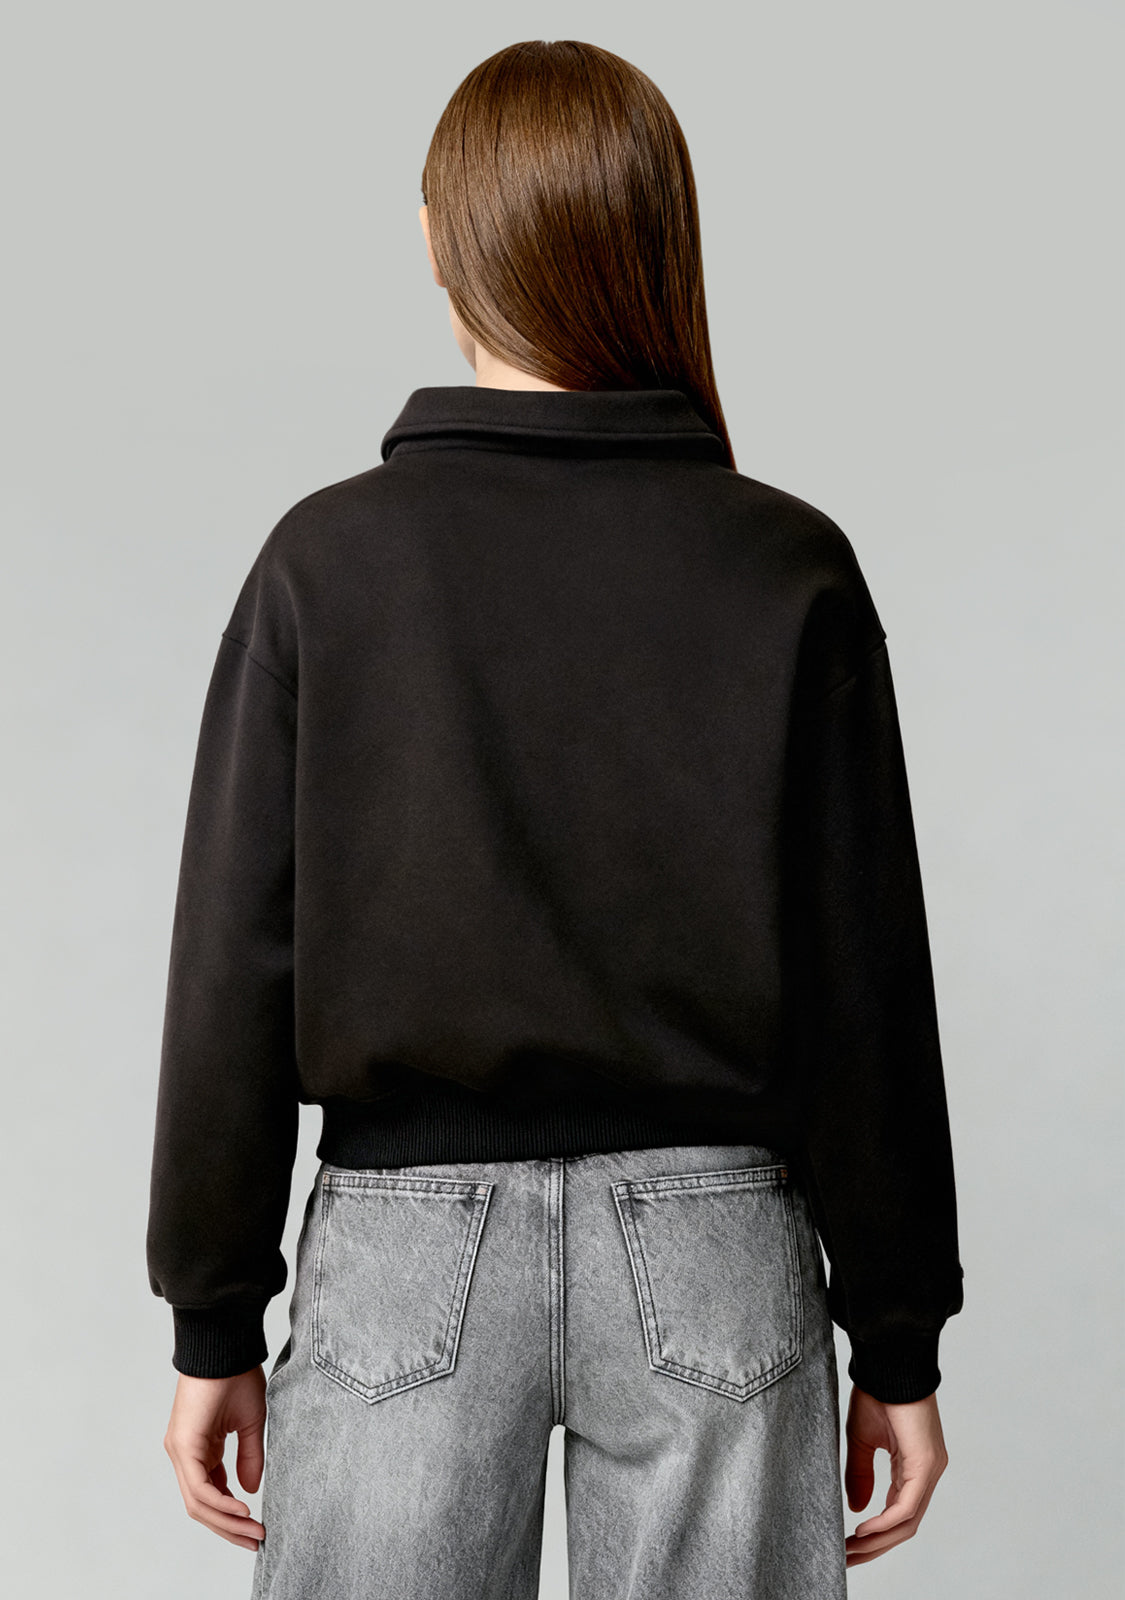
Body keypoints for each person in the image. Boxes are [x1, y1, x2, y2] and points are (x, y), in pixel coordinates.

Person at [148, 37, 964, 1600]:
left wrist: (212, 1317)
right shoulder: (783, 565)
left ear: (438, 241)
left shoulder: (329, 562)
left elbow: (234, 961)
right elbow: (864, 978)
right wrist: (898, 1335)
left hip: (403, 1254)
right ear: (660, 241)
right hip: (715, 1249)